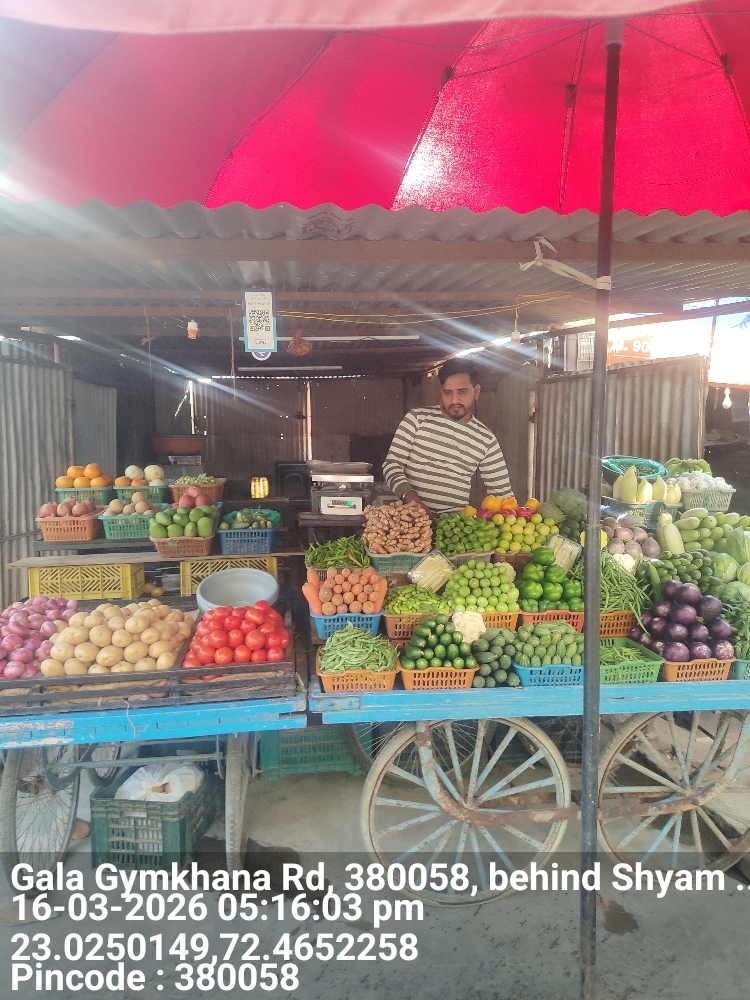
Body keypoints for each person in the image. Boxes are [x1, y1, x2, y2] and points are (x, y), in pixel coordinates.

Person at [382, 359, 511, 515]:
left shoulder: (486, 439)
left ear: (476, 392)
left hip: (455, 526)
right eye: (447, 392)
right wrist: (413, 502)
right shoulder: (416, 419)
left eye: (462, 392)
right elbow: (392, 465)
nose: (455, 400)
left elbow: (503, 495)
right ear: (441, 392)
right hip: (410, 521)